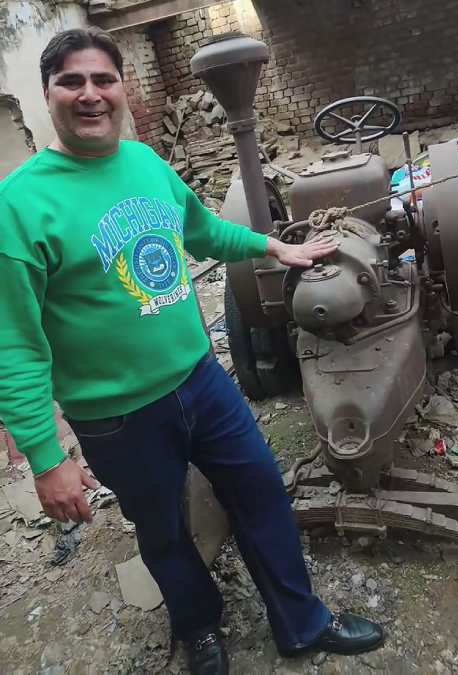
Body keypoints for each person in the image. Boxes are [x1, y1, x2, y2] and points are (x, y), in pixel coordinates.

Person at [0, 27, 386, 675]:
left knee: (261, 492)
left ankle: (301, 621)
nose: (90, 95)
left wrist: (276, 248)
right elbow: (14, 342)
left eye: (103, 79)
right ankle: (200, 628)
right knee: (163, 530)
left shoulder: (146, 162)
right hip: (117, 418)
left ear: (122, 89)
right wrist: (45, 456)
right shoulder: (19, 203)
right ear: (48, 94)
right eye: (72, 81)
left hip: (203, 381)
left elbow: (202, 230)